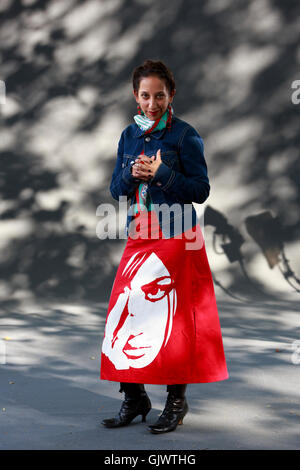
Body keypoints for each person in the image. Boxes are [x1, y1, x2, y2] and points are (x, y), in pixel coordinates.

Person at [100, 59, 229, 434]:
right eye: (145, 95)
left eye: (159, 95)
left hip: (177, 237)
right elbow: (114, 190)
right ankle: (134, 397)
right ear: (135, 95)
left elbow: (201, 191)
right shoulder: (128, 136)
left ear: (171, 94)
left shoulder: (185, 136)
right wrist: (131, 173)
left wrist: (163, 174)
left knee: (174, 323)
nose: (152, 103)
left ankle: (176, 402)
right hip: (140, 232)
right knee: (122, 315)